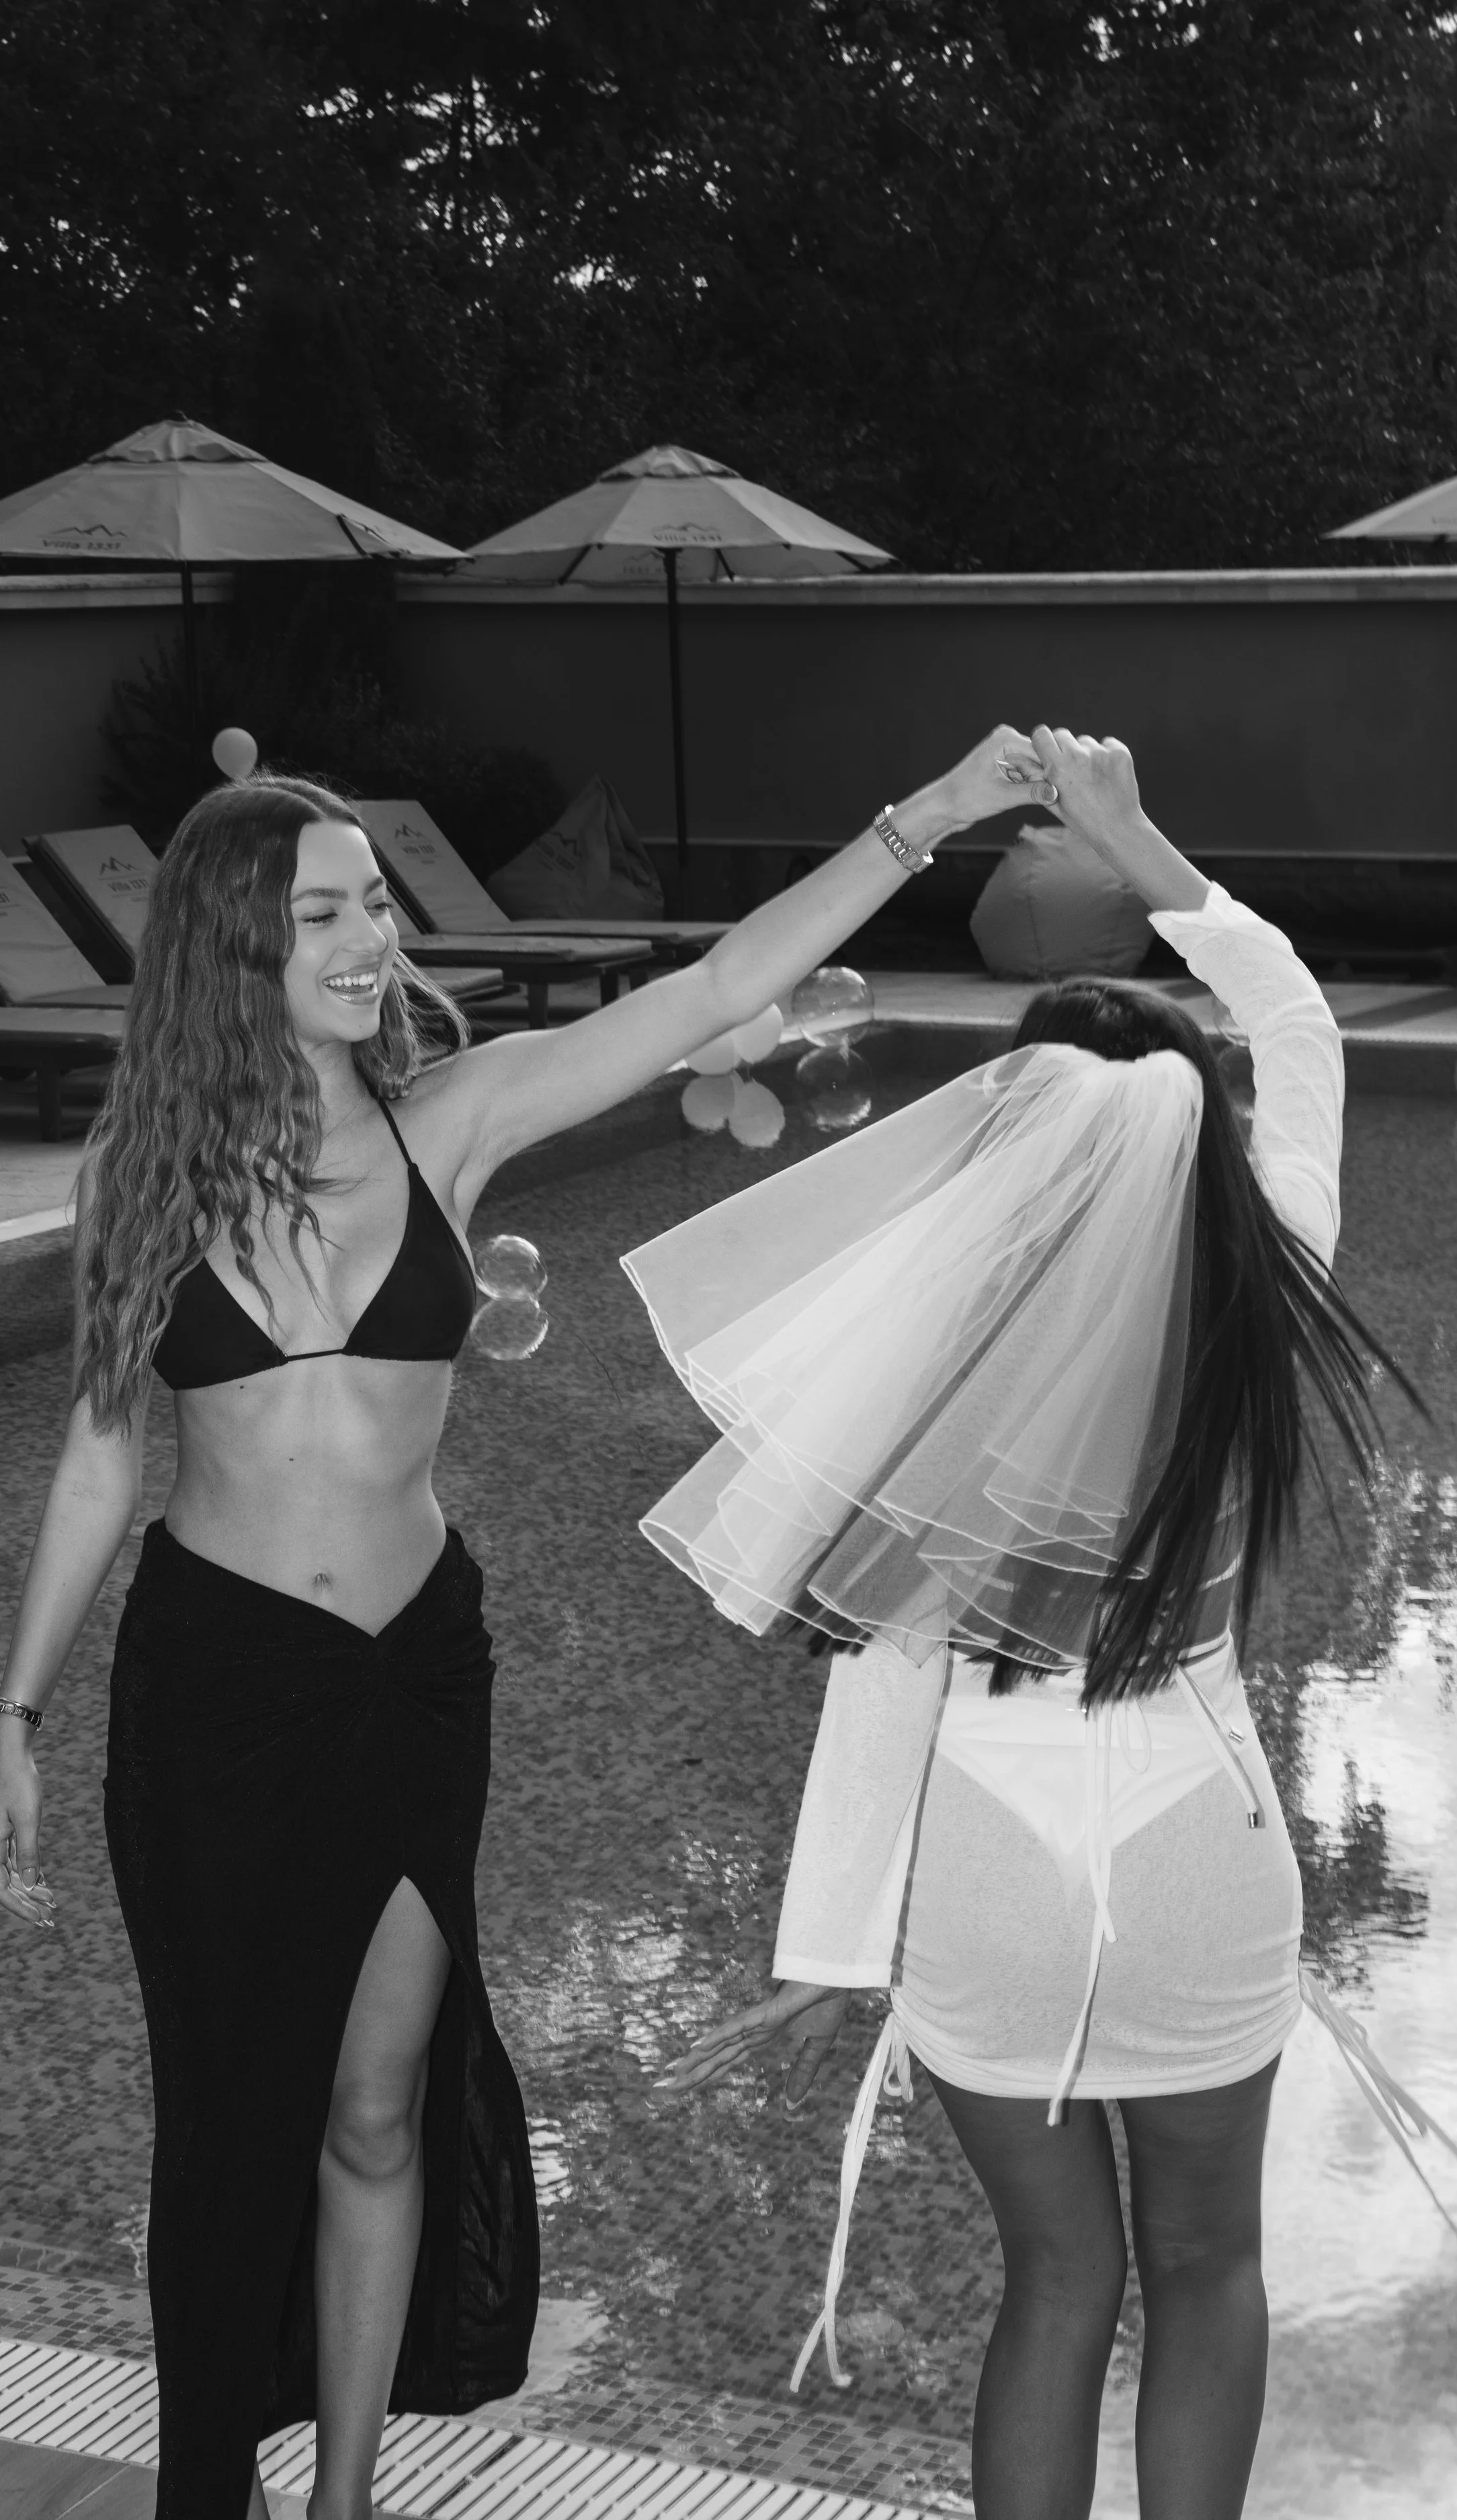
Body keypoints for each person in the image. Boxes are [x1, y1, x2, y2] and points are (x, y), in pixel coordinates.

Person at [0, 732, 1050, 2520]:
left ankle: (343, 2490)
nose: (364, 937)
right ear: (231, 945)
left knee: (378, 2104)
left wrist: (925, 819)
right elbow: (100, 1463)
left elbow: (718, 984)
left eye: (366, 904)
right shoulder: (143, 1183)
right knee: (226, 2127)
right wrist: (12, 1712)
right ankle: (205, 2494)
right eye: (320, 910)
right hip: (217, 1689)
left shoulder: (454, 1120)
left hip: (414, 1671)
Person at [634, 728, 1440, 2520]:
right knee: (1208, 2276)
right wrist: (1134, 837)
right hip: (1190, 1844)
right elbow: (1294, 1020)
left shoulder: (943, 1362)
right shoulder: (1267, 1284)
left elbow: (884, 1679)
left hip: (983, 1857)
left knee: (1052, 2289)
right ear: (1193, 1134)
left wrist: (821, 1946)